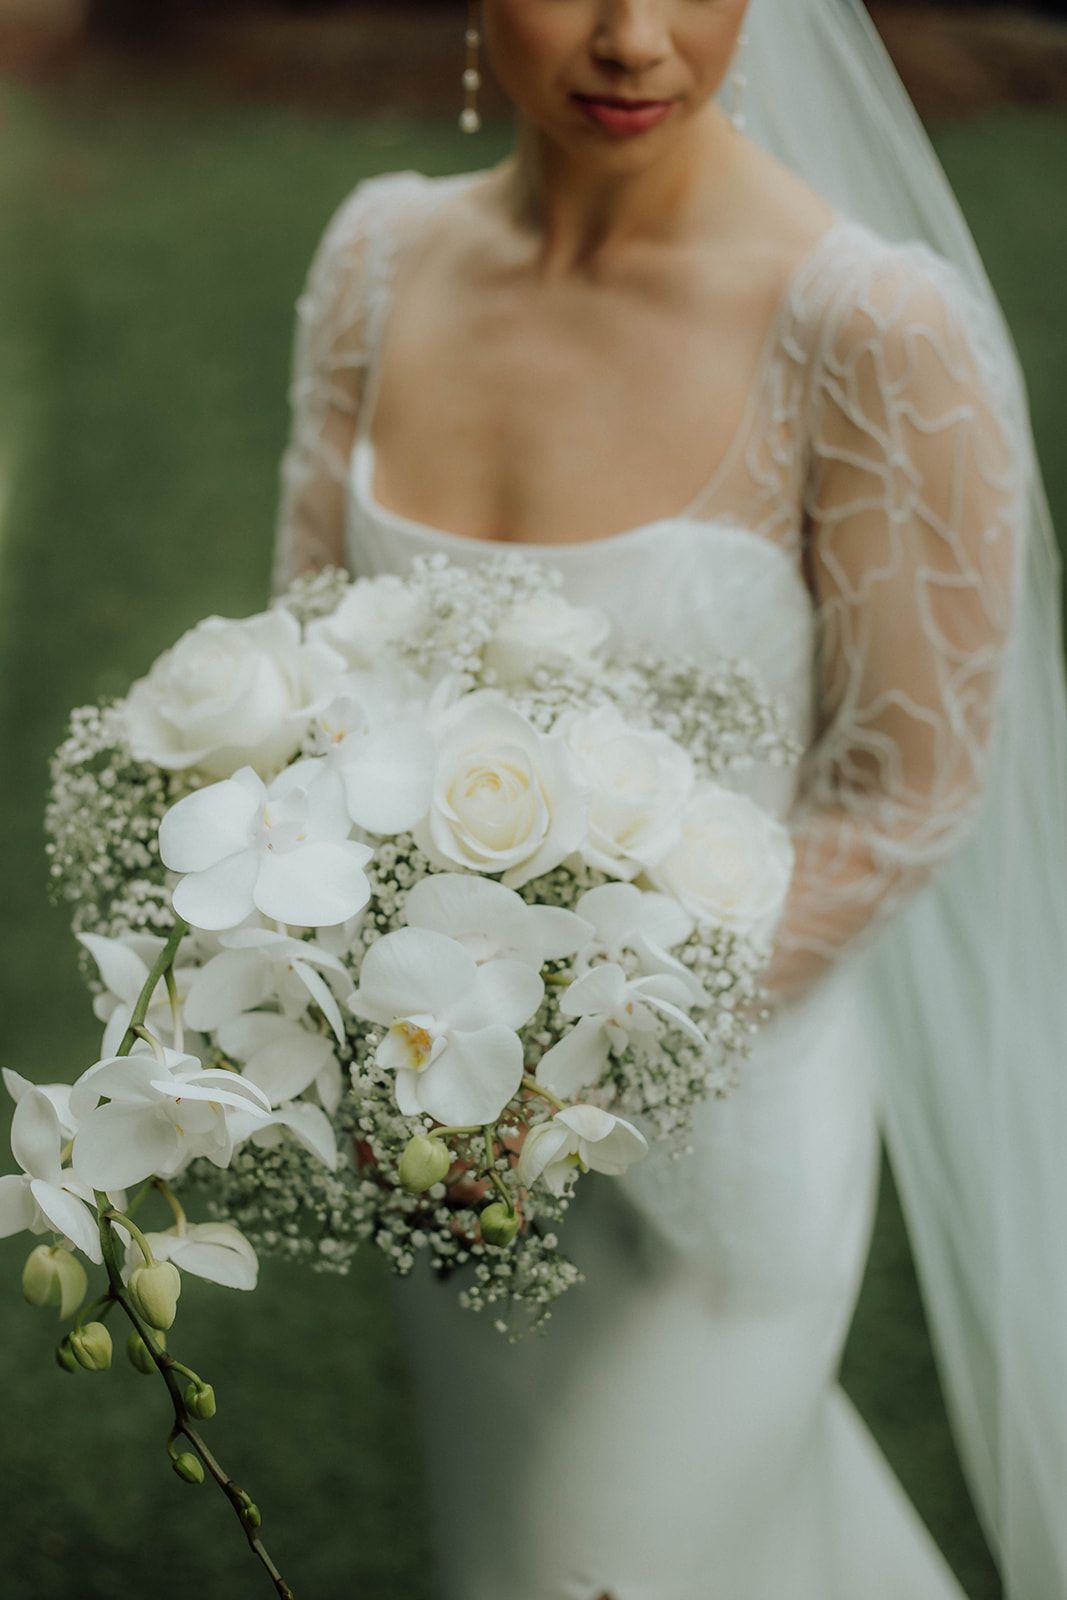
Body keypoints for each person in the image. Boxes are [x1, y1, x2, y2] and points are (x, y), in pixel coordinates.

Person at [272, 2, 1067, 1597]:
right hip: (442, 1145)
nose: (635, 38)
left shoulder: (870, 331)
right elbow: (303, 673)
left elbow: (903, 799)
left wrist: (559, 1077)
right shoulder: (375, 260)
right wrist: (347, 1009)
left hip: (720, 1166)